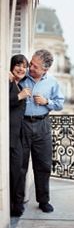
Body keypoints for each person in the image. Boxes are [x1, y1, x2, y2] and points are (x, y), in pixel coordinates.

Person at [16, 49, 64, 214]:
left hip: (42, 126)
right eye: (31, 63)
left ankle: (43, 201)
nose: (30, 68)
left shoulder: (52, 82)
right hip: (23, 125)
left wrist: (46, 101)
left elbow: (59, 104)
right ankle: (17, 203)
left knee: (43, 165)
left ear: (45, 69)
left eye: (35, 66)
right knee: (20, 165)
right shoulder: (22, 78)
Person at [9, 54, 31, 216]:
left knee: (20, 170)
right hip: (10, 135)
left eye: (24, 66)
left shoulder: (16, 82)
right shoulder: (8, 83)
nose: (21, 69)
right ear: (11, 66)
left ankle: (18, 205)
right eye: (18, 65)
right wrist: (20, 96)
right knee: (16, 170)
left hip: (20, 134)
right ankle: (15, 205)